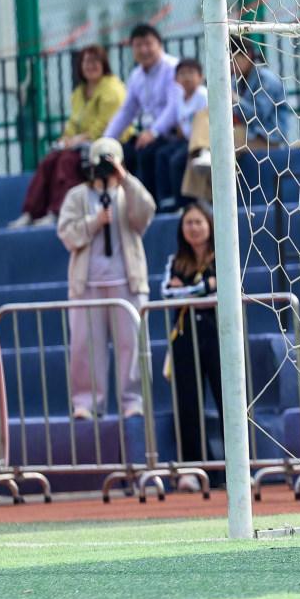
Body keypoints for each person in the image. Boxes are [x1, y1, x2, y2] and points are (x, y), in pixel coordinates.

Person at [58, 136, 156, 420]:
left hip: (127, 281)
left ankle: (133, 400)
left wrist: (125, 179)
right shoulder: (77, 196)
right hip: (87, 283)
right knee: (85, 347)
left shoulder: (128, 192)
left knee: (132, 345)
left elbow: (145, 214)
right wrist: (94, 222)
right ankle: (86, 403)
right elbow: (66, 233)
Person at [10, 44, 127, 229]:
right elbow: (73, 122)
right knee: (49, 161)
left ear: (104, 64)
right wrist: (66, 138)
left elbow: (105, 125)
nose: (90, 66)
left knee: (67, 162)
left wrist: (76, 140)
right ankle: (31, 212)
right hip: (80, 143)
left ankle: (58, 211)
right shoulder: (79, 92)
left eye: (95, 62)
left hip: (104, 144)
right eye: (86, 62)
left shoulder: (112, 89)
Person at [162, 200, 223, 483]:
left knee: (228, 402)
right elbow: (167, 293)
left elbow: (222, 290)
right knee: (187, 405)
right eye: (188, 222)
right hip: (185, 338)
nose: (194, 228)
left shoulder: (223, 257)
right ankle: (193, 470)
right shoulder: (175, 262)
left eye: (199, 222)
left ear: (210, 224)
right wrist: (203, 289)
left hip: (219, 335)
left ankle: (236, 468)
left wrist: (188, 290)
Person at [103, 23, 179, 197]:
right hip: (148, 136)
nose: (144, 50)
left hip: (172, 133)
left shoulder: (173, 68)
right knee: (120, 154)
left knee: (146, 154)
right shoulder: (136, 76)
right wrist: (106, 140)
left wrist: (154, 132)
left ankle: (154, 204)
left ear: (159, 44)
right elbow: (127, 112)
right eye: (138, 45)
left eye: (148, 44)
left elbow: (174, 107)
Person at [145, 57, 208, 212]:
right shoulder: (179, 98)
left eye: (191, 73)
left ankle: (184, 204)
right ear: (176, 79)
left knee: (177, 161)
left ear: (201, 77)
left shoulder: (203, 95)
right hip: (186, 140)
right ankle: (166, 199)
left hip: (201, 141)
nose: (187, 77)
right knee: (161, 154)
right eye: (182, 74)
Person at [231, 38, 293, 148]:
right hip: (248, 134)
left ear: (248, 56)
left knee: (225, 144)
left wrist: (235, 99)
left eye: (233, 60)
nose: (231, 66)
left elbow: (259, 115)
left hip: (270, 138)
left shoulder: (266, 79)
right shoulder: (236, 80)